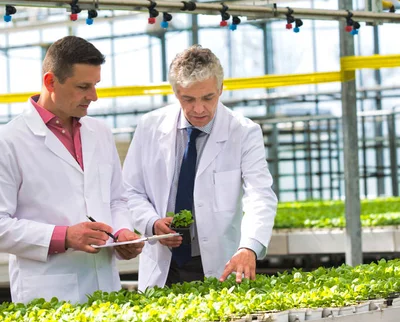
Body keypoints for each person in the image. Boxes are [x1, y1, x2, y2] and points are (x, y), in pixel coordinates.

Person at [0, 36, 143, 304]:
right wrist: (64, 236)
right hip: (47, 294)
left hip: (106, 284)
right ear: (50, 82)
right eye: (83, 87)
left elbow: (116, 199)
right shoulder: (8, 141)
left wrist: (123, 232)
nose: (94, 96)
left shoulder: (99, 132)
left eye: (95, 85)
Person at [123, 45, 277, 291]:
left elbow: (260, 196)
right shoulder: (149, 127)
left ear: (220, 89)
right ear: (175, 93)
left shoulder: (244, 132)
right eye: (188, 99)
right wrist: (151, 222)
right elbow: (129, 190)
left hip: (220, 263)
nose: (199, 109)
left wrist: (249, 247)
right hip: (163, 264)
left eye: (208, 98)